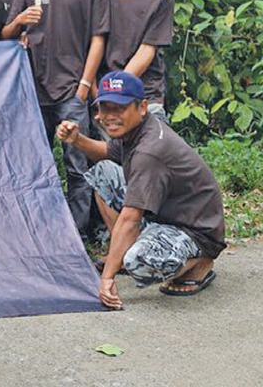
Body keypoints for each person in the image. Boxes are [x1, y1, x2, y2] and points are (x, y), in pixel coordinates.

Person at [56, 71, 225, 308]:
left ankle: (200, 263)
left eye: (119, 108)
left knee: (138, 261)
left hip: (197, 232)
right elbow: (108, 153)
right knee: (102, 172)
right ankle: (124, 251)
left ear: (142, 107)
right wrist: (76, 139)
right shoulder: (136, 130)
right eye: (105, 108)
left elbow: (130, 218)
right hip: (165, 215)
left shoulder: (149, 151)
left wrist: (107, 279)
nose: (109, 116)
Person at [2, 0, 109, 238]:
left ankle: (76, 234)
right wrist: (20, 20)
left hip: (72, 92)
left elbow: (98, 38)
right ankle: (39, 230)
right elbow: (6, 34)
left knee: (78, 166)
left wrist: (84, 86)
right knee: (35, 167)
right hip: (33, 93)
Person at [100, 0, 175, 121]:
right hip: (103, 92)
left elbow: (147, 50)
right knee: (108, 152)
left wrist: (118, 90)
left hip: (145, 94)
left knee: (151, 150)